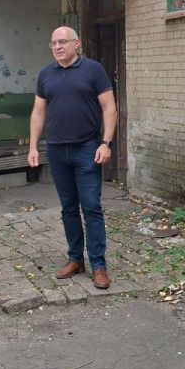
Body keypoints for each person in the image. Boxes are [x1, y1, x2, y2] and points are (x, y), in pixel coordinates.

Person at [28, 25, 117, 290]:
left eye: (63, 42)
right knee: (68, 208)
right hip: (56, 150)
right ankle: (75, 259)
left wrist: (106, 143)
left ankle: (99, 265)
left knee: (91, 207)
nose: (57, 47)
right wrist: (33, 146)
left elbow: (109, 107)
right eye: (53, 43)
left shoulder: (93, 70)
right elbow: (38, 112)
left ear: (76, 44)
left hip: (87, 149)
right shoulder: (46, 74)